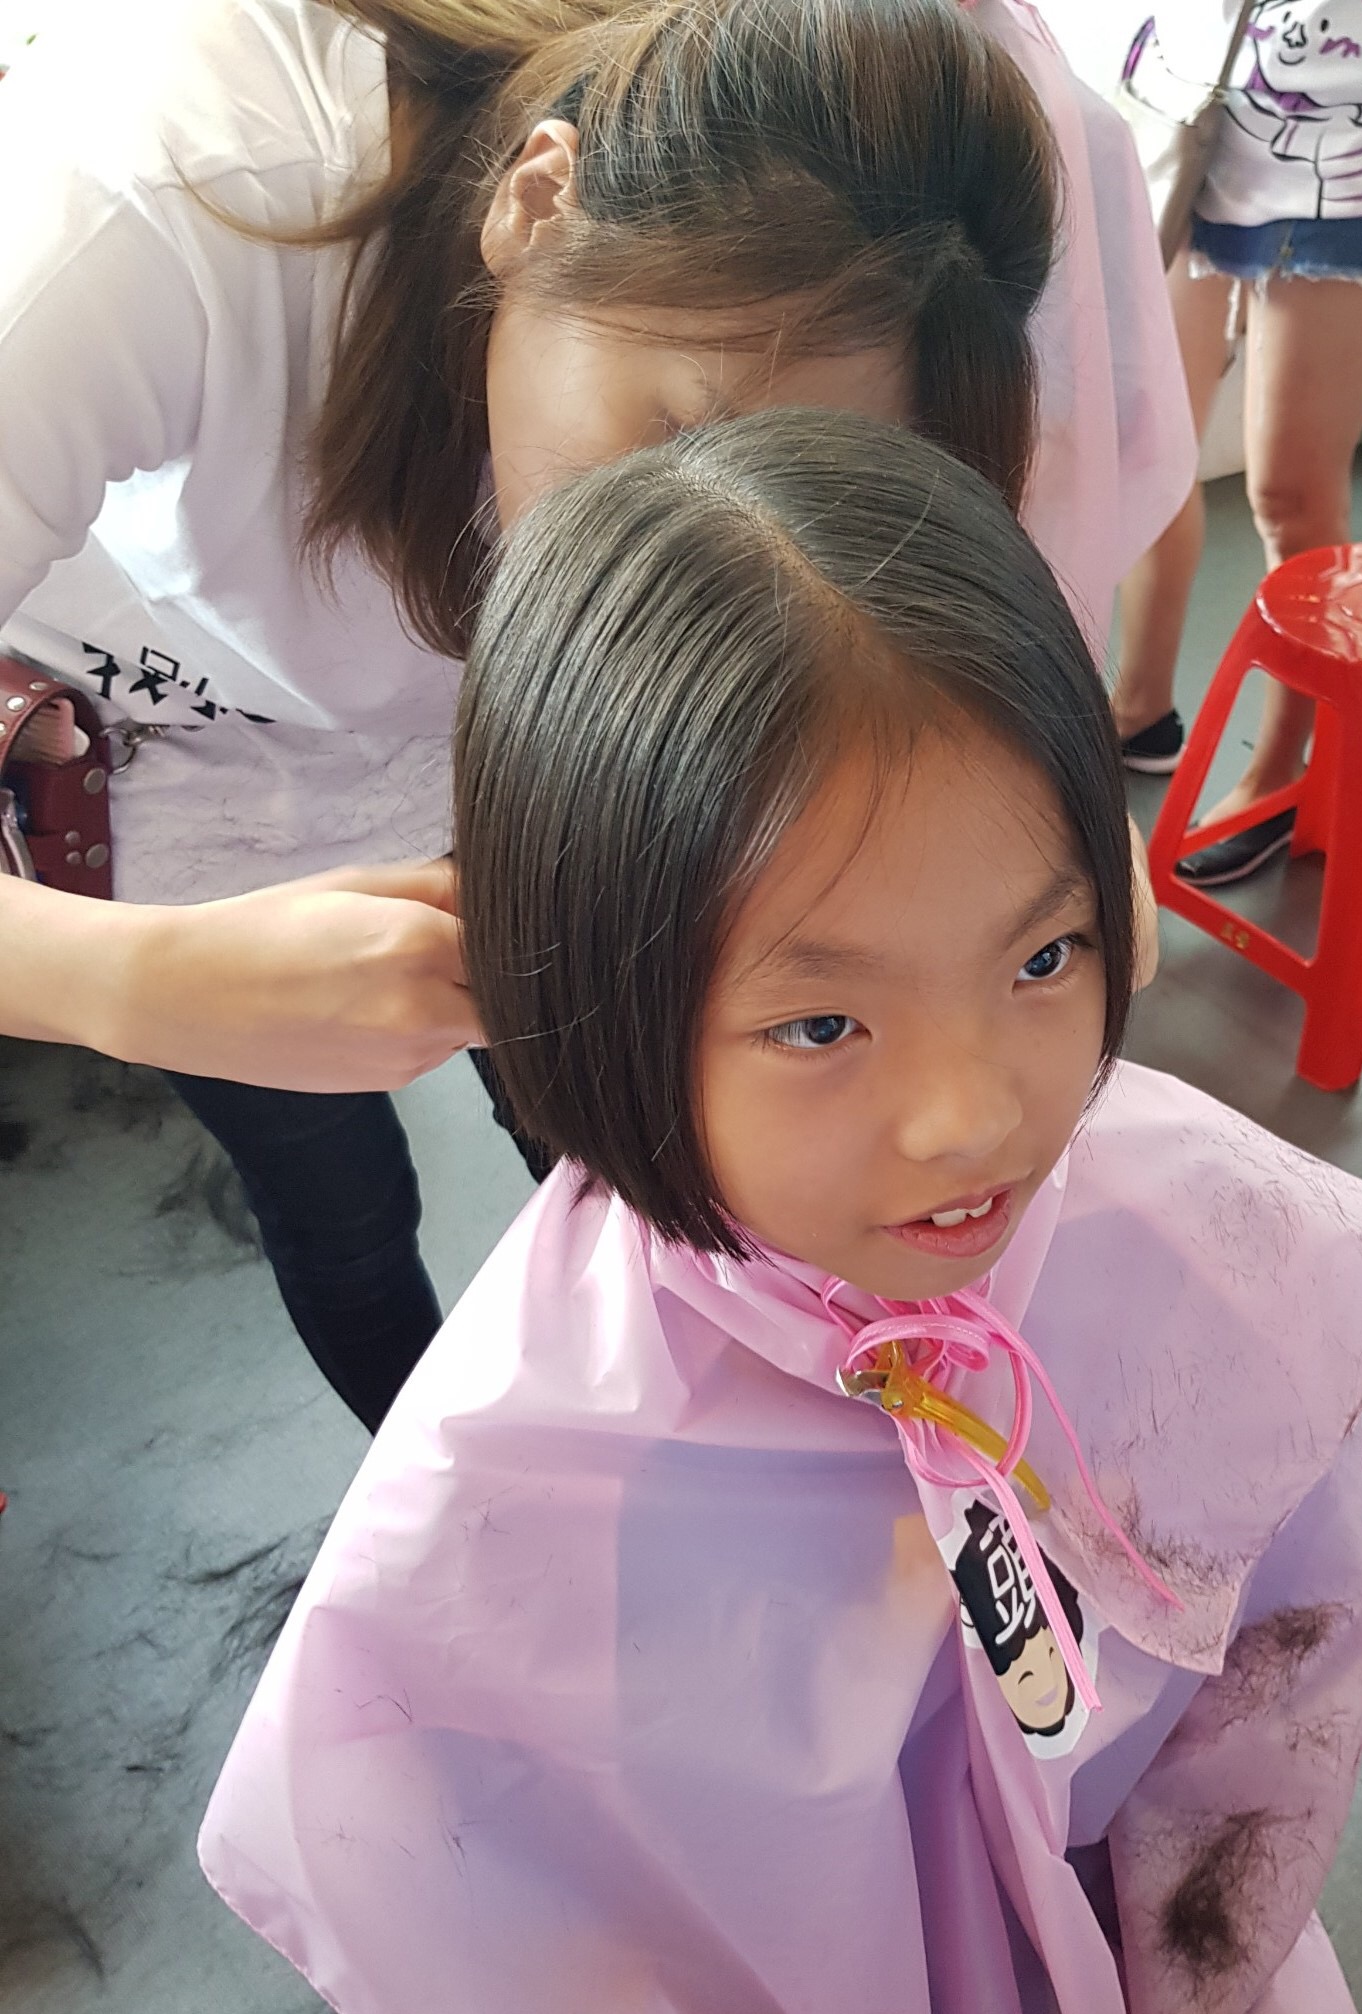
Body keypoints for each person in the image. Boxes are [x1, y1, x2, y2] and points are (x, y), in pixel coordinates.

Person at [200, 409, 1362, 2014]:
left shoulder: (1169, 1226)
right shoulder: (533, 1459)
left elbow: (1264, 1676)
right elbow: (585, 1950)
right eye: (821, 1017)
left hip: (1153, 1988)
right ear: (600, 1009)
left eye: (1041, 955)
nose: (971, 1114)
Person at [0, 0, 1187, 1431]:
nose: (684, 575)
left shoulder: (916, 275)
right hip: (178, 797)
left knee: (629, 1148)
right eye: (675, 437)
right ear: (537, 199)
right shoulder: (154, 204)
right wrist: (130, 984)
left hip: (501, 773)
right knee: (337, 1207)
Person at [1123, 0, 1362, 885]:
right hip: (1192, 96)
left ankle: (1283, 773)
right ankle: (1139, 709)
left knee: (1291, 496)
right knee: (1149, 450)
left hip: (1355, 152)